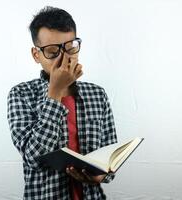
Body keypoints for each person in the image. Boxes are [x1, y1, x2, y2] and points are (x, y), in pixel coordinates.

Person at [7, 6, 117, 200]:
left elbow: (110, 157)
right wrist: (55, 93)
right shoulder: (20, 94)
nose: (64, 57)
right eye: (52, 51)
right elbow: (34, 158)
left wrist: (103, 175)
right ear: (36, 55)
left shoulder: (97, 94)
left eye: (71, 47)